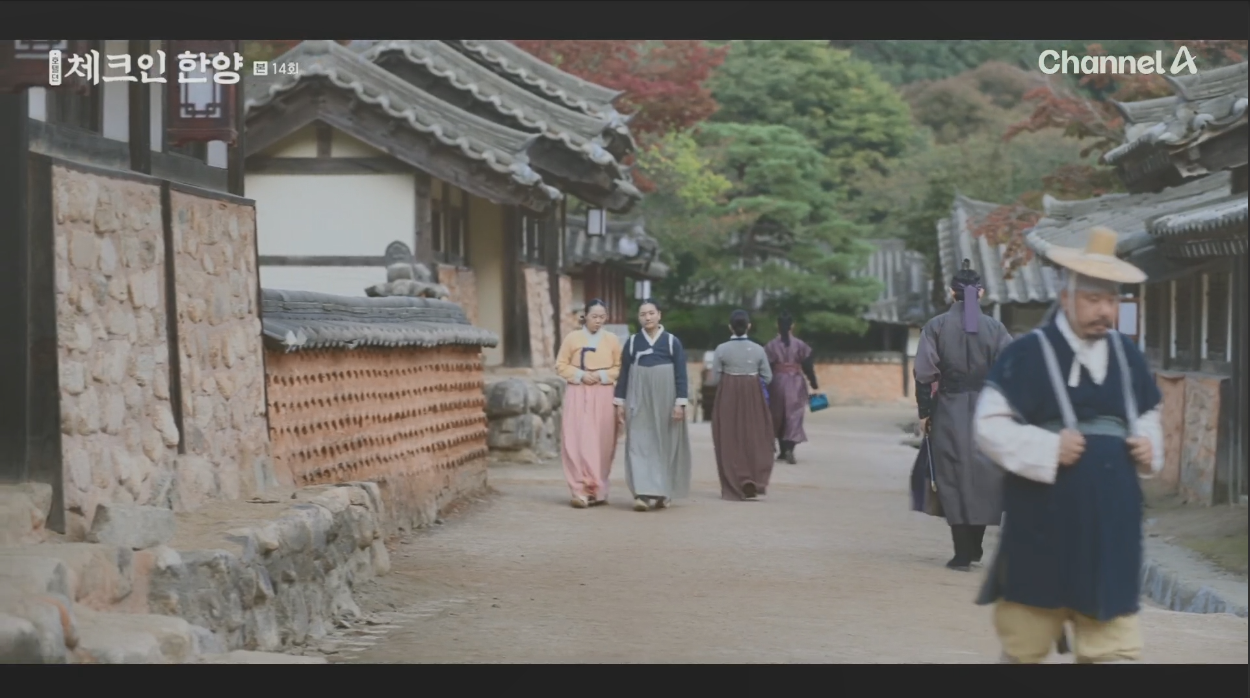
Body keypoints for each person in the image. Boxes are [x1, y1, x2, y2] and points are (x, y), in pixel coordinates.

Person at [973, 227, 1164, 664]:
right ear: (1066, 297)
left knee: (1114, 646)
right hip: (1042, 521)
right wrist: (1046, 448)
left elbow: (1149, 413)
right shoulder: (1027, 353)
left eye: (1112, 300)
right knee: (1025, 642)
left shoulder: (1127, 356)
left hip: (1112, 525)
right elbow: (988, 425)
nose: (1105, 311)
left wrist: (1148, 446)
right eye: (1094, 299)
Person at [914, 259, 1013, 571]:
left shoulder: (936, 326)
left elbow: (924, 373)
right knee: (985, 476)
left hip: (949, 407)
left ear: (951, 292)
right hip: (989, 409)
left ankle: (961, 553)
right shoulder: (996, 329)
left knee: (953, 477)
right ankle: (976, 545)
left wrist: (924, 412)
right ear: (980, 293)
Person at [614, 299, 693, 512]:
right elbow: (624, 373)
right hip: (638, 395)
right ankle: (642, 493)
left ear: (659, 315)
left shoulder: (671, 342)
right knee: (638, 440)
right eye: (643, 314)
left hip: (666, 396)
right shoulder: (632, 342)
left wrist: (680, 403)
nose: (647, 317)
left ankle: (663, 491)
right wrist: (619, 402)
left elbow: (681, 374)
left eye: (651, 313)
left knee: (665, 442)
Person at [555, 299, 623, 509]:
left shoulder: (612, 340)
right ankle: (579, 489)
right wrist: (580, 375)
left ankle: (598, 488)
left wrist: (601, 375)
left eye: (602, 317)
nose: (598, 321)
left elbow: (619, 367)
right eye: (594, 316)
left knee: (602, 441)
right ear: (585, 316)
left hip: (603, 393)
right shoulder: (572, 338)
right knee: (575, 439)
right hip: (578, 391)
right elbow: (561, 365)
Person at [710, 310, 775, 501]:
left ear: (730, 327)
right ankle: (754, 478)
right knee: (754, 436)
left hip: (728, 395)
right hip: (753, 395)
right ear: (749, 326)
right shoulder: (758, 350)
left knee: (728, 438)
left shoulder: (721, 349)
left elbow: (714, 379)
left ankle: (734, 481)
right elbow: (768, 377)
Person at [764, 312, 818, 464]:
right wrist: (813, 383)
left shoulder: (770, 346)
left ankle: (781, 450)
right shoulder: (801, 345)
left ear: (777, 325)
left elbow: (766, 367)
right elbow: (808, 366)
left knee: (777, 415)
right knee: (794, 415)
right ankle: (789, 449)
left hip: (776, 382)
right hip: (795, 382)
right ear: (792, 326)